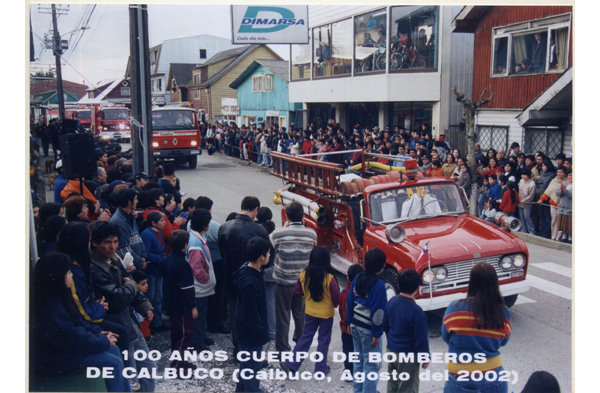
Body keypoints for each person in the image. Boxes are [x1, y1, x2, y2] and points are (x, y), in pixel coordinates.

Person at [31, 253, 131, 393]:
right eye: (68, 272)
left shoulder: (57, 297)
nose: (71, 276)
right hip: (53, 358)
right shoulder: (51, 306)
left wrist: (98, 333)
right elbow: (71, 337)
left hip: (63, 351)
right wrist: (101, 340)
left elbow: (77, 323)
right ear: (57, 276)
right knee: (112, 363)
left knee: (114, 349)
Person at [89, 222, 156, 392]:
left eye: (115, 242)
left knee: (148, 368)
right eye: (107, 242)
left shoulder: (115, 258)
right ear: (95, 243)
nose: (112, 247)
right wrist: (132, 285)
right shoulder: (93, 267)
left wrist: (144, 305)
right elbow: (118, 298)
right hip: (117, 327)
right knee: (130, 378)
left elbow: (128, 286)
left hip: (129, 323)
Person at [442, 262, 512, 393]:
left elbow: (446, 337)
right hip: (493, 377)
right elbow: (503, 341)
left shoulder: (454, 309)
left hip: (458, 377)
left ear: (472, 282)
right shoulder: (503, 313)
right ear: (495, 283)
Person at [218, 196, 273, 356]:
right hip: (253, 277)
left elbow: (222, 252)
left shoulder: (224, 227)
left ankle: (237, 347)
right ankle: (251, 349)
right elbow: (268, 257)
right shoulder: (259, 230)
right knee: (254, 312)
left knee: (235, 311)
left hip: (230, 277)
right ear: (255, 210)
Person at [281, 246, 340, 375]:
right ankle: (321, 368)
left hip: (310, 312)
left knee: (306, 337)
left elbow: (297, 291)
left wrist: (307, 294)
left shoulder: (304, 273)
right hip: (326, 315)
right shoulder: (330, 278)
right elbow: (336, 298)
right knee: (323, 340)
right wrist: (335, 305)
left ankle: (291, 364)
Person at [271, 202, 317, 353]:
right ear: (303, 216)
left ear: (287, 217)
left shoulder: (278, 234)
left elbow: (272, 247)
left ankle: (283, 348)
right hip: (303, 282)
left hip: (283, 281)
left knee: (282, 315)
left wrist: (284, 228)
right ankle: (301, 342)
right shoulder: (312, 234)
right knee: (301, 313)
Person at [346, 248, 388, 393]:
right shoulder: (379, 285)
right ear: (382, 266)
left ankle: (358, 391)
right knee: (371, 366)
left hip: (355, 325)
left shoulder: (357, 278)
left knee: (358, 362)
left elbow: (350, 301)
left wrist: (348, 321)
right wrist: (377, 334)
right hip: (369, 330)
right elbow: (378, 312)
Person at [233, 237, 272, 393]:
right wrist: (261, 330)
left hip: (244, 333)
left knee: (246, 366)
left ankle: (241, 390)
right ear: (261, 257)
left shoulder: (247, 272)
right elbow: (250, 314)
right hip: (251, 335)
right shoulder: (251, 281)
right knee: (252, 368)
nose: (270, 256)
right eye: (268, 253)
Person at [383, 269, 430, 393]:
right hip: (408, 355)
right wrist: (425, 358)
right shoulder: (417, 311)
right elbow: (421, 339)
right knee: (408, 387)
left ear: (398, 285)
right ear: (417, 288)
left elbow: (385, 325)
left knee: (392, 384)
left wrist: (391, 341)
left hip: (392, 349)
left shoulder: (391, 302)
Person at [162, 230, 199, 371]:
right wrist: (193, 306)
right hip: (182, 305)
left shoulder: (167, 259)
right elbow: (188, 289)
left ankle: (178, 362)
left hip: (170, 303)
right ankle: (179, 366)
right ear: (185, 245)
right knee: (185, 335)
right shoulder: (183, 265)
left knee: (177, 334)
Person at [188, 209, 217, 351]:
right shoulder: (195, 242)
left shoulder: (197, 238)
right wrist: (207, 279)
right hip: (199, 287)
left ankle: (201, 336)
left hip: (202, 288)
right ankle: (197, 343)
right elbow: (196, 268)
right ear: (205, 225)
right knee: (198, 316)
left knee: (202, 314)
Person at [140, 211, 168, 334]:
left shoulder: (158, 232)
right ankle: (150, 324)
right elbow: (146, 252)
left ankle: (157, 321)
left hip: (158, 270)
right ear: (153, 223)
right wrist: (161, 259)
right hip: (151, 270)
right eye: (161, 221)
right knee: (150, 297)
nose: (164, 223)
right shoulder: (147, 234)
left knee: (158, 296)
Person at [109, 188, 147, 271]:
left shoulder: (130, 216)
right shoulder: (118, 221)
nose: (137, 201)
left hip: (137, 263)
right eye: (135, 199)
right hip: (130, 266)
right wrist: (140, 262)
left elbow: (138, 237)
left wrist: (143, 255)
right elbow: (123, 248)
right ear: (129, 202)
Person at [339, 264, 364, 375]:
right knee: (359, 349)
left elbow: (340, 309)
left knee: (347, 350)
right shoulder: (363, 293)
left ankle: (348, 370)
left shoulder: (344, 293)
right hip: (359, 327)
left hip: (345, 327)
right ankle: (359, 370)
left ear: (348, 278)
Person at [538, 164, 565, 241]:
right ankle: (553, 236)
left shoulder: (566, 182)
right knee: (553, 221)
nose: (559, 174)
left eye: (561, 172)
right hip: (552, 204)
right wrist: (541, 199)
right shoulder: (553, 180)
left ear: (564, 173)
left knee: (560, 222)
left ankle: (559, 237)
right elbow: (548, 191)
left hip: (561, 205)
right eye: (558, 172)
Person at [518, 169, 537, 234]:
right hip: (520, 202)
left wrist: (524, 200)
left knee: (527, 217)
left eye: (524, 175)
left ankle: (531, 230)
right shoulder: (521, 181)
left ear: (528, 175)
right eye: (522, 175)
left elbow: (531, 195)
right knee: (521, 216)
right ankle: (524, 229)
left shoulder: (532, 184)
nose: (523, 176)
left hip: (527, 203)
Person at [555, 171, 572, 243]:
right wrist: (561, 190)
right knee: (563, 223)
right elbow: (557, 193)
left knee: (569, 223)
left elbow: (572, 195)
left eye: (572, 176)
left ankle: (570, 238)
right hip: (562, 206)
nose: (570, 177)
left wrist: (565, 190)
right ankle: (564, 236)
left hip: (570, 207)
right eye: (569, 175)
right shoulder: (564, 183)